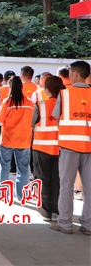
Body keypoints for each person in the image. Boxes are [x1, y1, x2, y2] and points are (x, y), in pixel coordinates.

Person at [51, 60, 91, 235]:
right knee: (89, 187)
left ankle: (65, 223)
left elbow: (57, 119)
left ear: (75, 74)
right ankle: (88, 224)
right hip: (90, 147)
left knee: (66, 185)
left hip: (69, 146)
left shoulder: (64, 94)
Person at [0, 76, 35, 201]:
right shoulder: (29, 103)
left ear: (10, 86)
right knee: (23, 169)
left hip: (7, 138)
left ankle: (3, 194)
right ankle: (21, 195)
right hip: (24, 139)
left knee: (4, 167)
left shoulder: (7, 102)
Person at [31, 75, 63, 222]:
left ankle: (45, 210)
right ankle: (56, 210)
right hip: (60, 148)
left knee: (42, 178)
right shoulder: (65, 104)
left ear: (47, 89)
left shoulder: (40, 103)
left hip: (41, 146)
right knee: (57, 180)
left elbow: (32, 123)